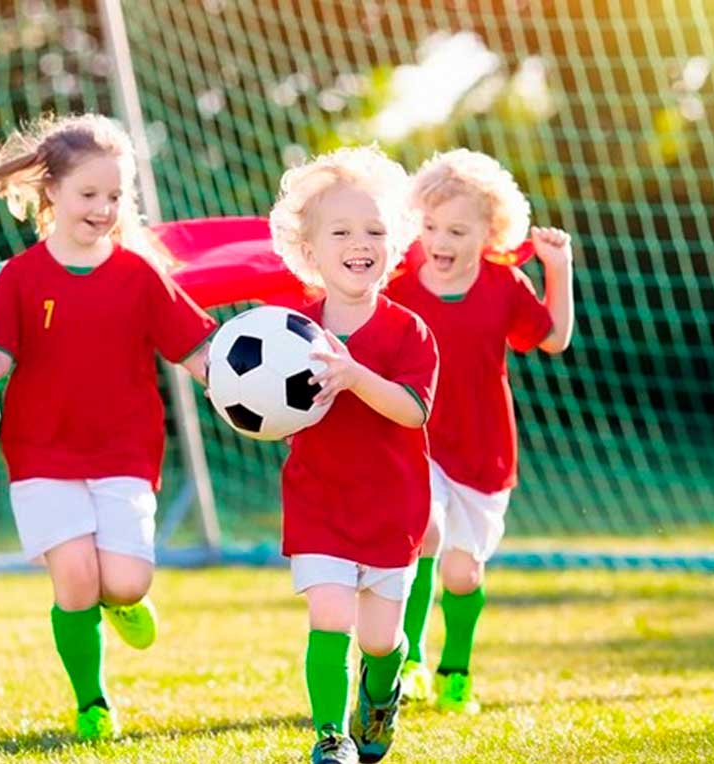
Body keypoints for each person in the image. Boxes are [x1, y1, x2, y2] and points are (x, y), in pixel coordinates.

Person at [0, 113, 216, 741]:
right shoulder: (19, 279)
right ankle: (92, 702)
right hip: (41, 455)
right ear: (52, 192)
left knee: (125, 579)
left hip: (124, 453)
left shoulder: (141, 274)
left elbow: (196, 353)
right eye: (90, 194)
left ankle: (125, 601)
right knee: (77, 578)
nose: (104, 207)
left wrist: (248, 393)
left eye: (116, 196)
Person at [385, 148, 574, 714]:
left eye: (457, 230)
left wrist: (557, 269)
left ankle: (455, 667)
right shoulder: (398, 283)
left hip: (484, 451)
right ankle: (409, 656)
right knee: (422, 533)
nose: (441, 241)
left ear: (489, 233)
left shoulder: (503, 284)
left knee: (463, 573)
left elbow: (553, 338)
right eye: (431, 226)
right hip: (417, 440)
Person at [266, 146, 439, 764]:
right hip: (319, 501)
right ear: (309, 251)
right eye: (341, 231)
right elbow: (269, 409)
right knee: (329, 620)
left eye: (374, 230)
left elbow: (414, 410)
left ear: (394, 246)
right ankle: (330, 737)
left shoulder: (409, 332)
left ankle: (383, 684)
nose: (359, 242)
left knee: (379, 637)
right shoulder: (288, 333)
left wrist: (354, 375)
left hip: (391, 506)